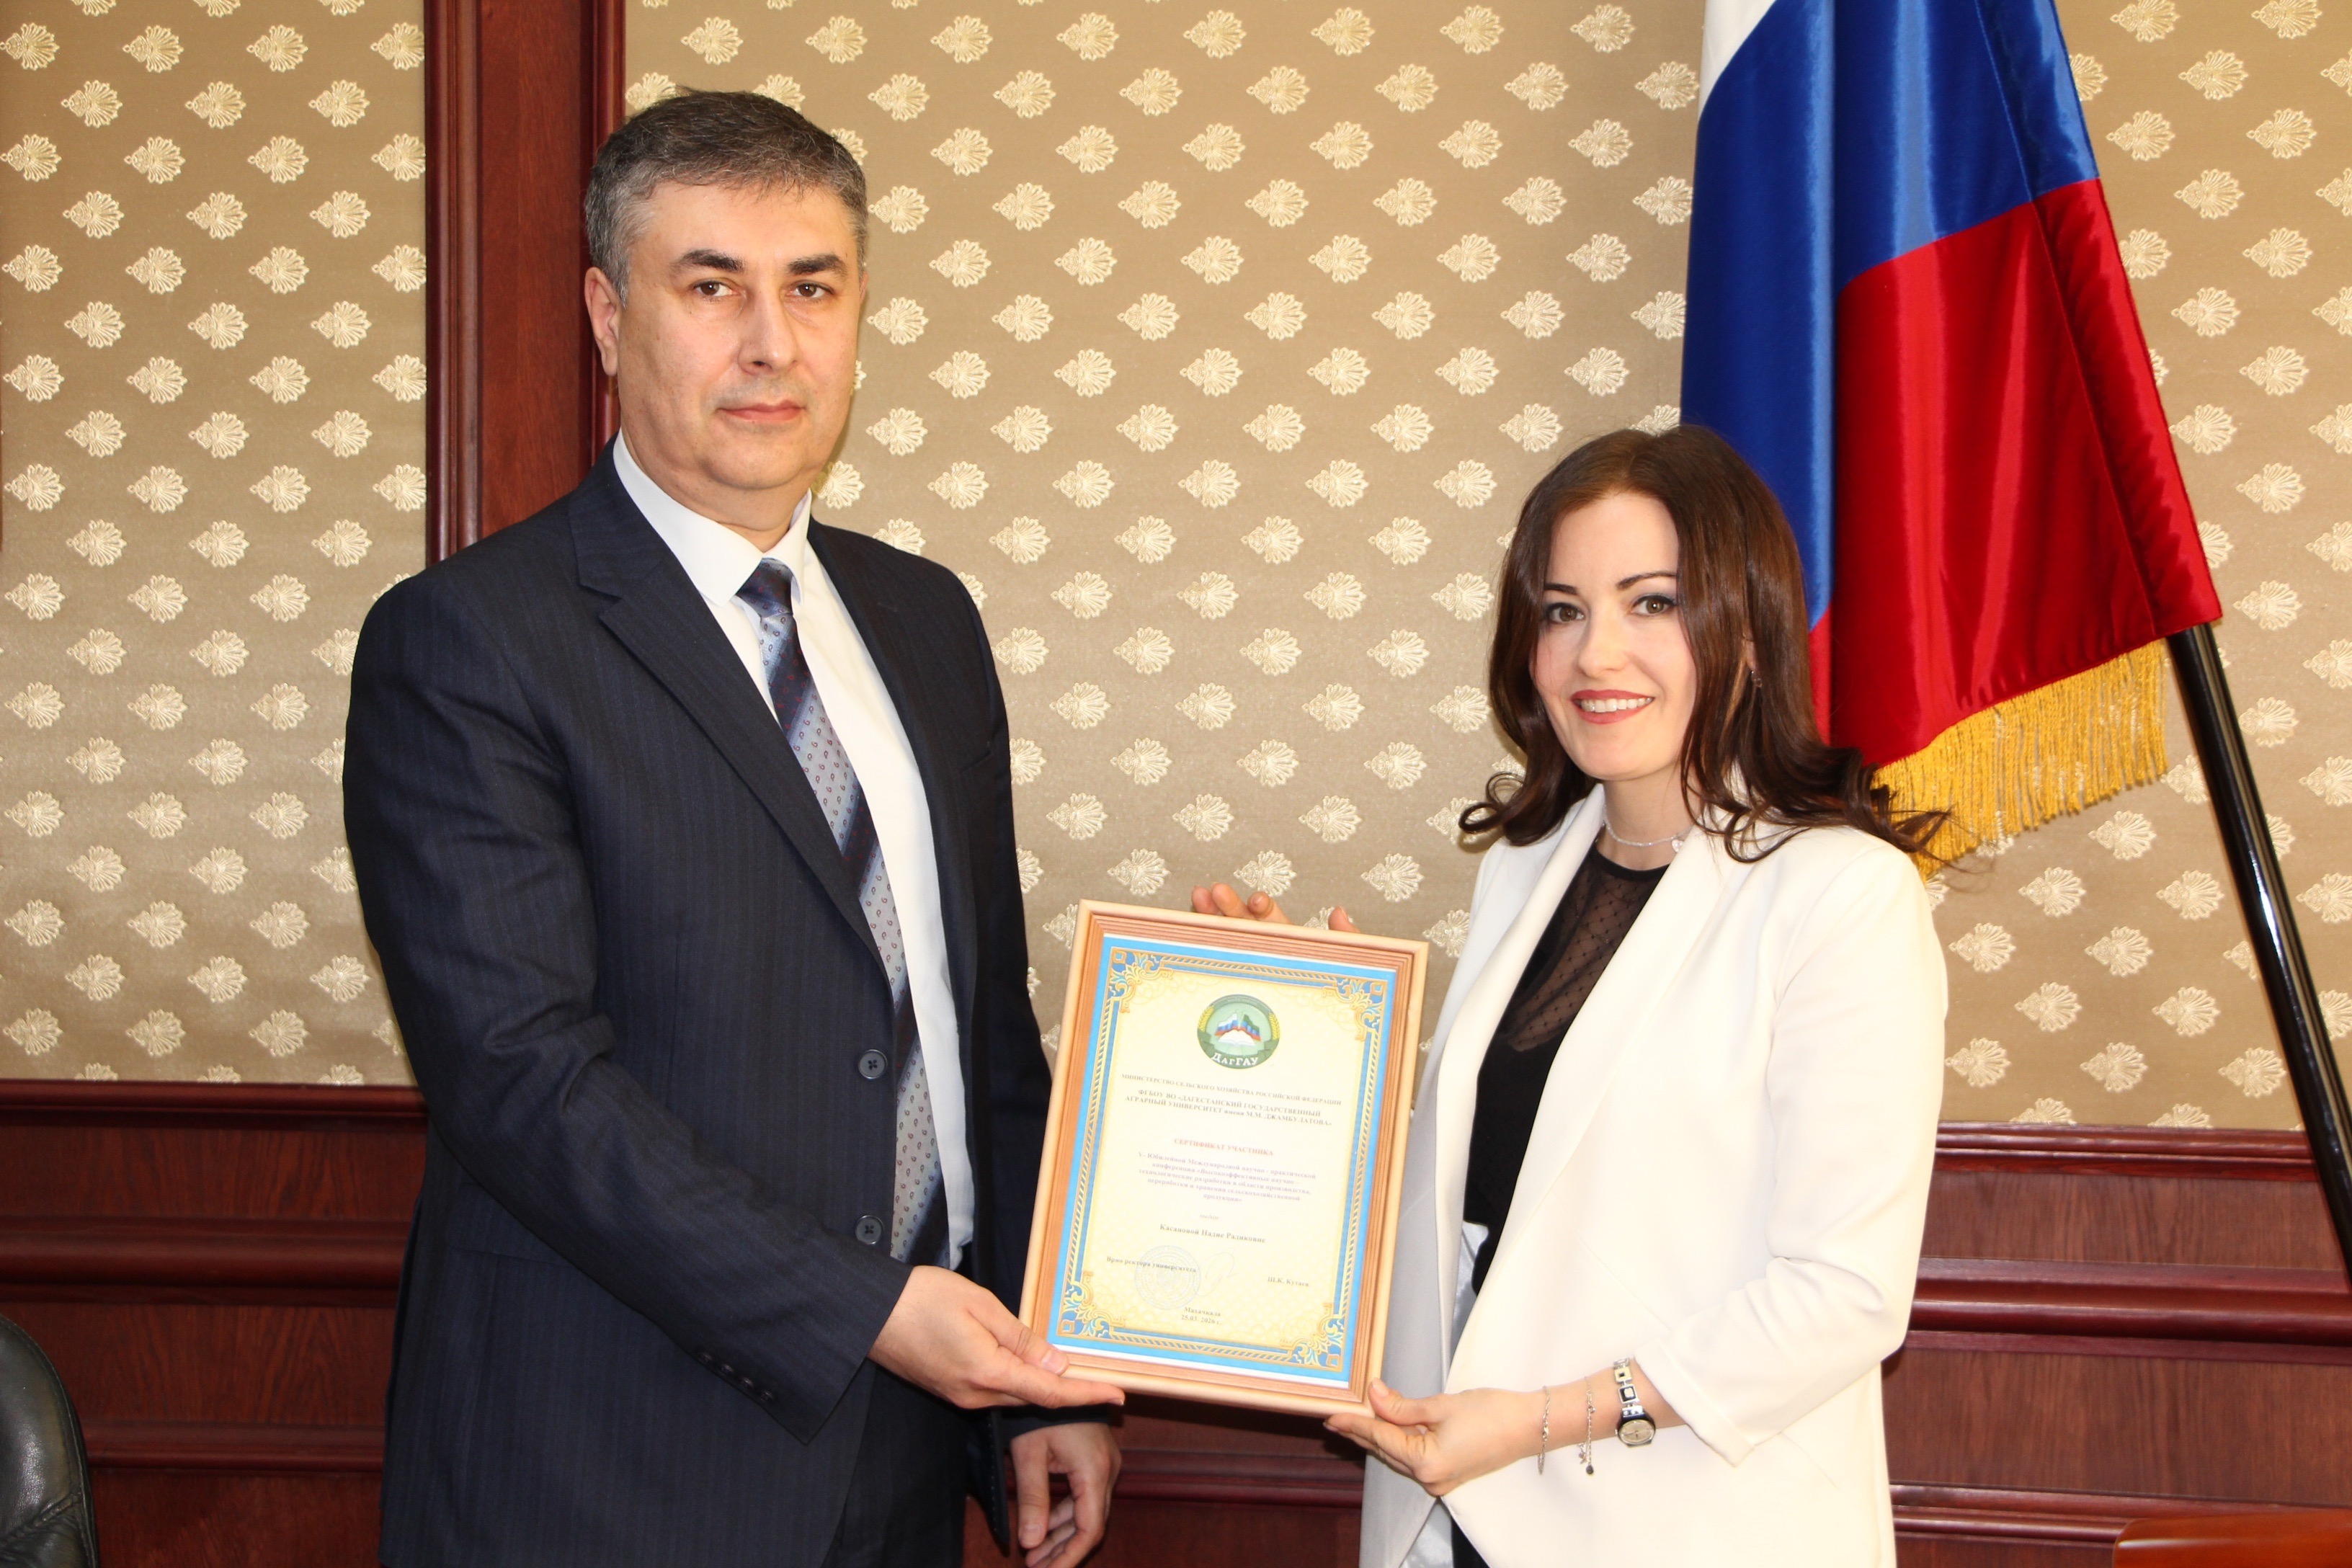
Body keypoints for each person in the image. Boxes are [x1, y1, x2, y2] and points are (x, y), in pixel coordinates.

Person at [345, 91, 1120, 1568]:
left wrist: (1041, 1382)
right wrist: (867, 1309)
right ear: (607, 315)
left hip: (908, 1457)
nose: (773, 344)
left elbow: (978, 1041)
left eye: (812, 288)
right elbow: (521, 1083)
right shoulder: (472, 642)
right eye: (713, 288)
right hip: (605, 1468)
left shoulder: (927, 621)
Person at [1196, 425, 1946, 1567]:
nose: (1598, 653)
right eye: (1562, 610)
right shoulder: (1525, 867)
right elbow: (1488, 1194)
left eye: (1653, 603)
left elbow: (1845, 1297)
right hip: (1458, 1509)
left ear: (1747, 631)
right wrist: (1305, 1037)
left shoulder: (1842, 895)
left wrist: (1543, 1421)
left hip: (1682, 1525)